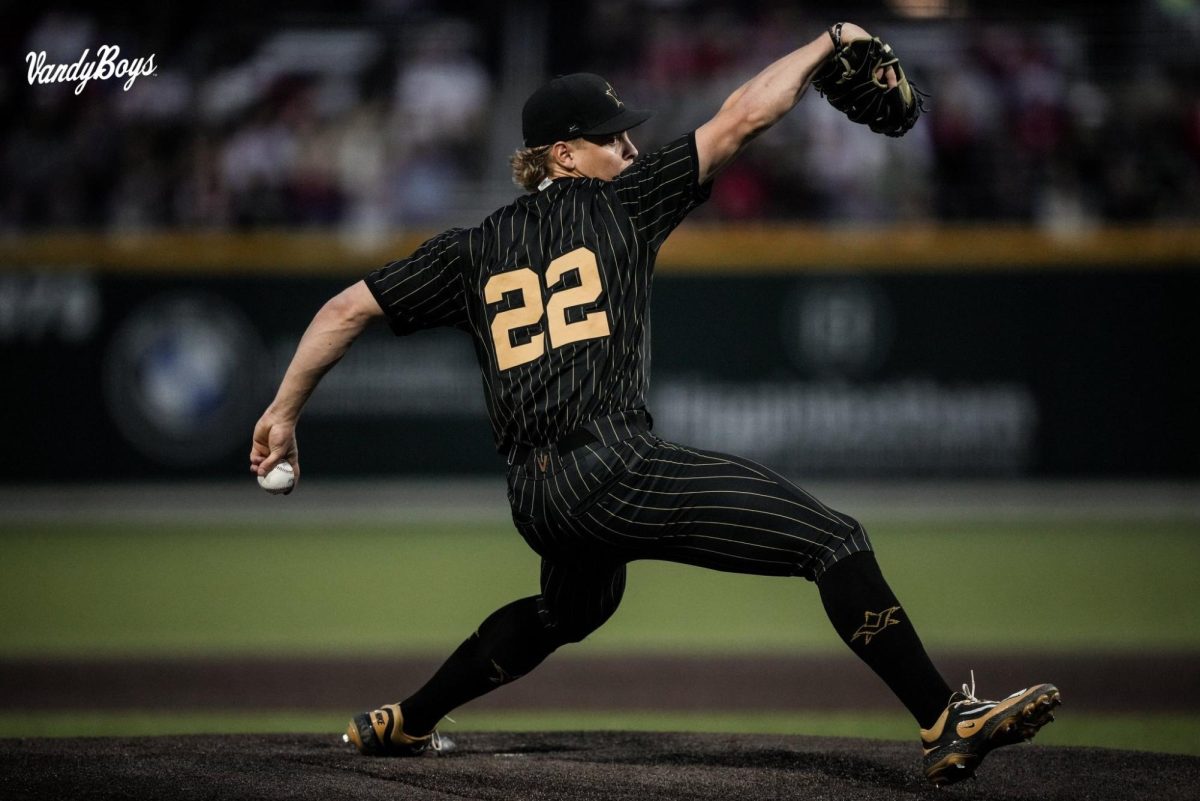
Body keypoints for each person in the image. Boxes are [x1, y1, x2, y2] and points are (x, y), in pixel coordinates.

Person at [250, 22, 1059, 787]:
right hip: (612, 468)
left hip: (534, 498)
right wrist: (830, 40)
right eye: (613, 138)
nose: (630, 148)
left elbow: (343, 310)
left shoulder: (470, 250)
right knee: (833, 539)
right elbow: (743, 116)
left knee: (569, 609)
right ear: (564, 154)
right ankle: (944, 717)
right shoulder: (624, 202)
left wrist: (283, 413)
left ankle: (408, 720)